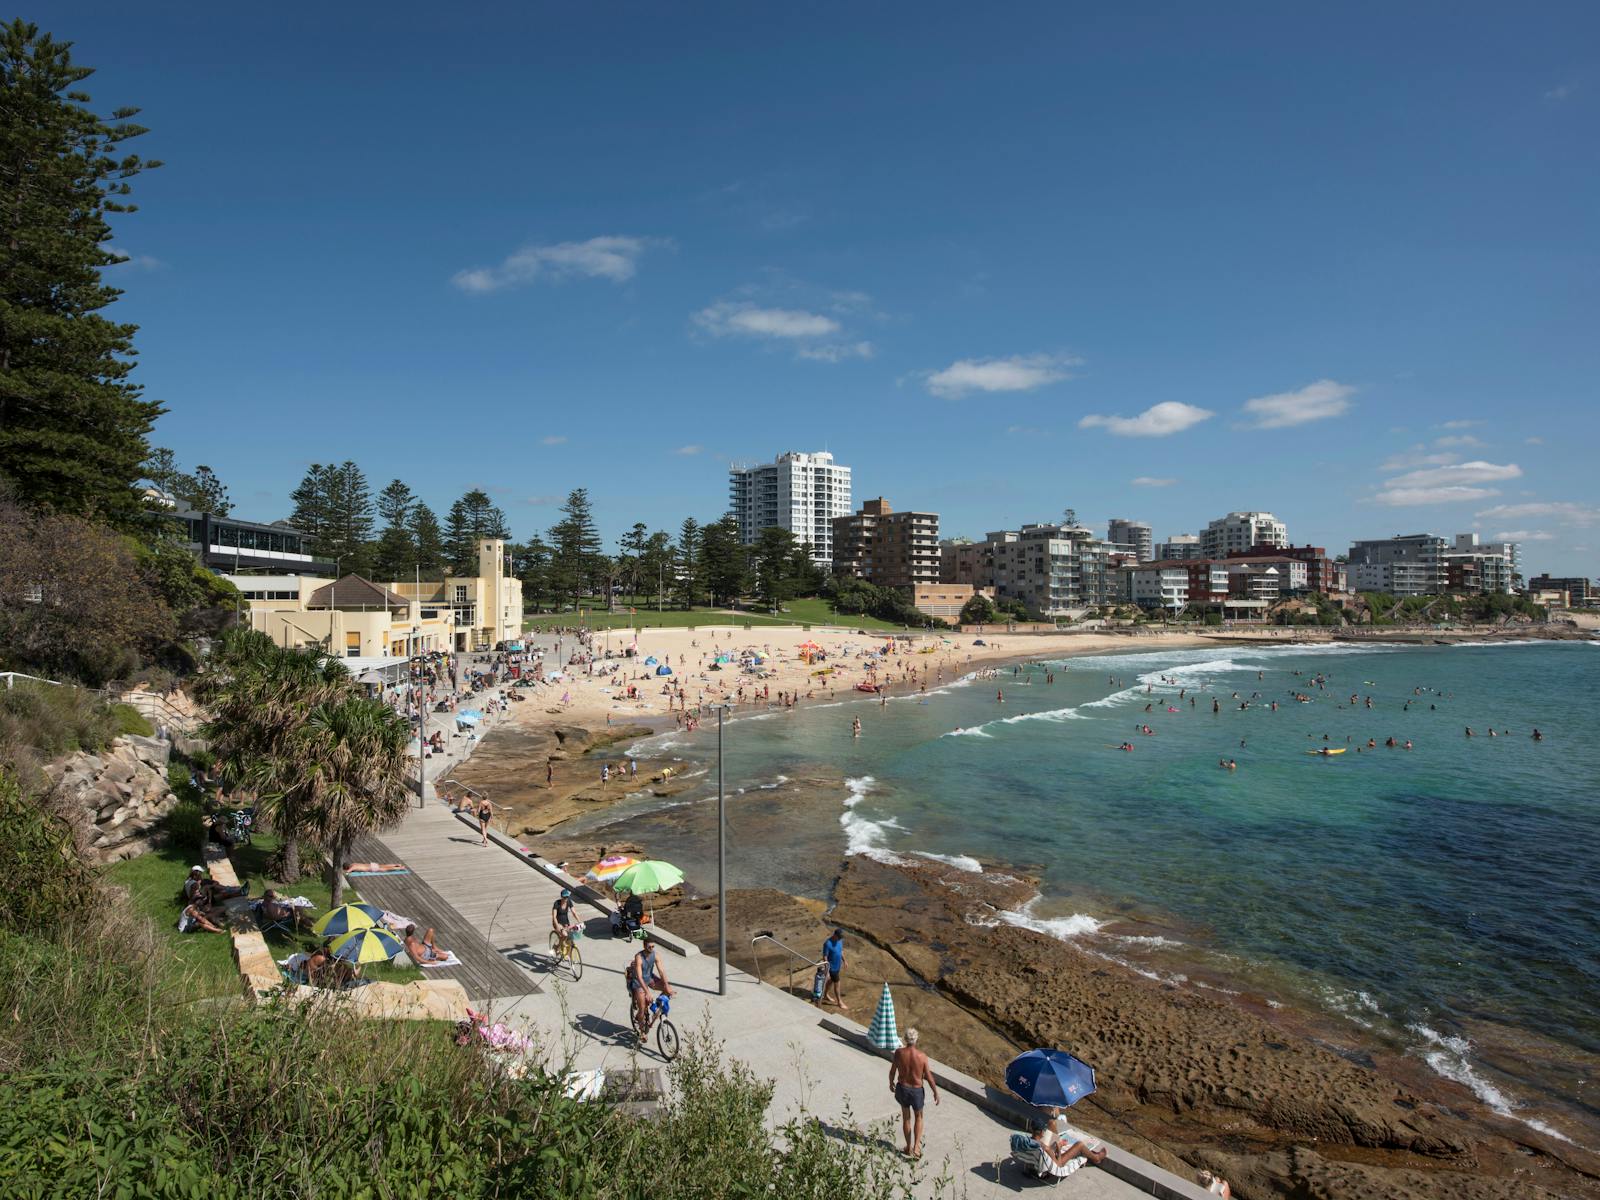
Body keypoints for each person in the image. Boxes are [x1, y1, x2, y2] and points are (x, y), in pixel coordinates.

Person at [889, 1028, 940, 1158]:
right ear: (916, 1040)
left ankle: (908, 1147)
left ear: (905, 1039)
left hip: (903, 1088)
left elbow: (893, 1070)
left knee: (906, 1118)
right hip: (917, 1091)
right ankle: (916, 1147)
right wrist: (935, 1092)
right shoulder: (922, 1056)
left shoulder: (899, 1053)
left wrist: (891, 1082)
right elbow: (929, 1077)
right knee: (919, 1117)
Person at [627, 934, 672, 1030]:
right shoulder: (639, 957)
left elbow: (661, 971)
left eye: (653, 946)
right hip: (638, 983)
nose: (651, 949)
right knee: (642, 1008)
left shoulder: (655, 955)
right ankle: (642, 1031)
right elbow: (639, 977)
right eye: (649, 947)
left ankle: (656, 1009)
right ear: (644, 946)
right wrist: (647, 992)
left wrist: (667, 985)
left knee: (667, 989)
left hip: (649, 978)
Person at [1028, 1116, 1105, 1170]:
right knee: (1080, 1145)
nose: (1045, 1131)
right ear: (1042, 1132)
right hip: (1055, 1162)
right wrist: (1059, 1149)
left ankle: (1059, 1142)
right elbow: (1058, 1166)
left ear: (1031, 1129)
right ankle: (1096, 1158)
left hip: (1043, 1156)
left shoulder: (1027, 1141)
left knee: (1052, 1122)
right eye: (1044, 1130)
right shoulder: (1045, 1148)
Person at [821, 928, 847, 1011]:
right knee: (837, 984)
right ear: (835, 935)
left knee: (831, 981)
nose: (840, 939)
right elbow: (825, 957)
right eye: (839, 937)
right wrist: (827, 969)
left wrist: (844, 960)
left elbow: (841, 951)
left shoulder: (839, 940)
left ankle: (825, 995)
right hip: (832, 967)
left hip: (838, 966)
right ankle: (839, 1002)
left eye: (841, 937)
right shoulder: (827, 944)